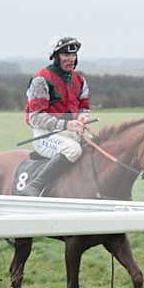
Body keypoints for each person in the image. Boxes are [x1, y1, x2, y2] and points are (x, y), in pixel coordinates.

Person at [21, 35, 91, 196]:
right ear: (55, 57)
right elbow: (35, 118)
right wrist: (66, 125)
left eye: (73, 55)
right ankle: (35, 185)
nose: (71, 59)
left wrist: (83, 117)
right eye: (66, 55)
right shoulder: (41, 80)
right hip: (45, 134)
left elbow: (84, 107)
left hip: (71, 132)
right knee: (73, 151)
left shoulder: (79, 80)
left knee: (98, 147)